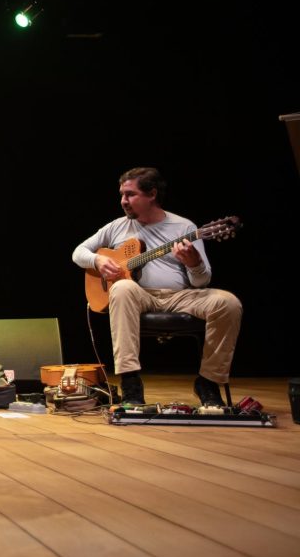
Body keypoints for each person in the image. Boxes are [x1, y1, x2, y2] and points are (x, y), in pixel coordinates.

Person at [72, 167, 242, 406]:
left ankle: (208, 381)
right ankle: (130, 381)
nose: (123, 201)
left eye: (130, 195)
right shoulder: (116, 227)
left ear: (151, 194)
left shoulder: (184, 228)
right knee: (121, 288)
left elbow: (202, 282)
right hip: (140, 297)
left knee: (228, 303)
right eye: (122, 195)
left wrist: (194, 264)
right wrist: (98, 260)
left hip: (181, 296)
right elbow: (78, 252)